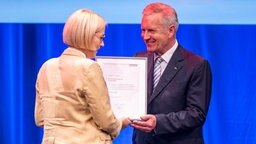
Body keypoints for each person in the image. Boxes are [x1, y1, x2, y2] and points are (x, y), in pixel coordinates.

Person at [34, 9, 131, 144]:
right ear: (87, 35)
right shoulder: (89, 67)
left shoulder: (46, 67)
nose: (102, 44)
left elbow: (40, 118)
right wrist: (121, 123)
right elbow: (106, 121)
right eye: (101, 38)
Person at [131, 2, 212, 144]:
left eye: (151, 31)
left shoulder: (196, 65)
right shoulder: (138, 59)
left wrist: (158, 122)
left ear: (171, 30)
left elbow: (196, 114)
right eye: (143, 30)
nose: (145, 36)